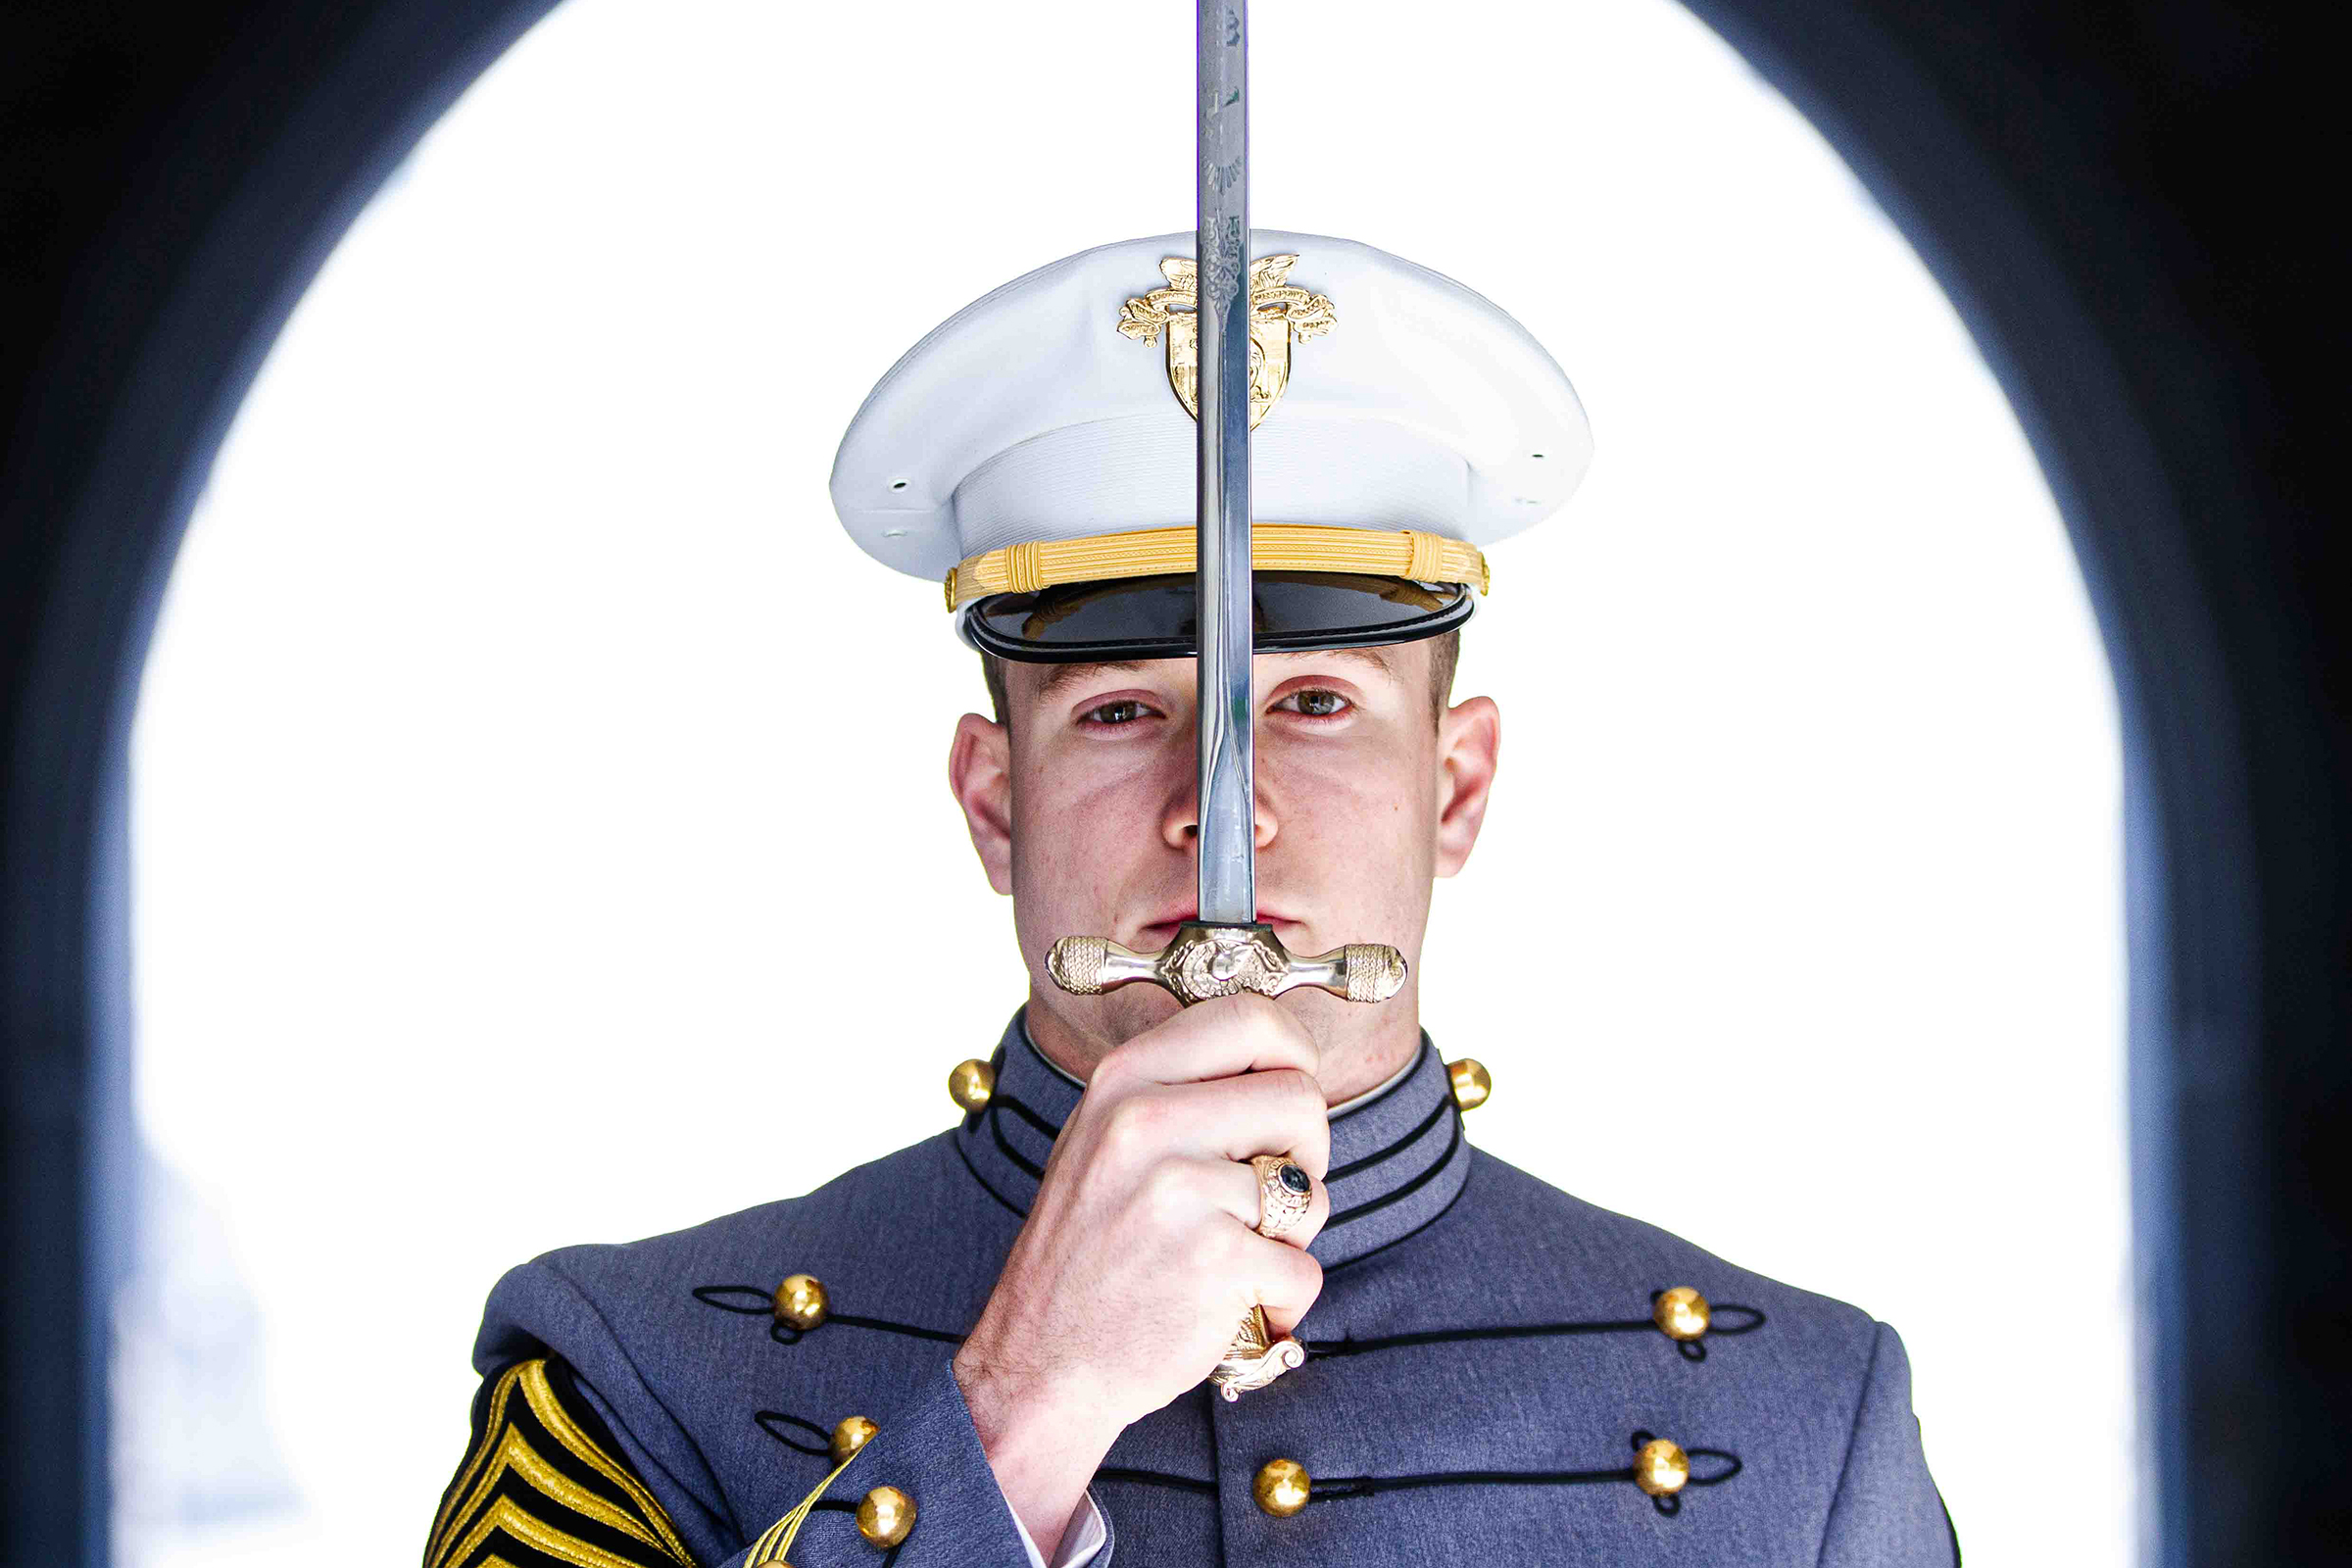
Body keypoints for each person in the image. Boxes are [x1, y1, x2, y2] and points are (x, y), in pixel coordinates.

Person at [422, 231, 1955, 1568]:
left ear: (1459, 786)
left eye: (1316, 703)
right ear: (993, 801)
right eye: (1114, 710)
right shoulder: (628, 1378)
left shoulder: (1808, 1425)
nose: (1222, 806)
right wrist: (1018, 1413)